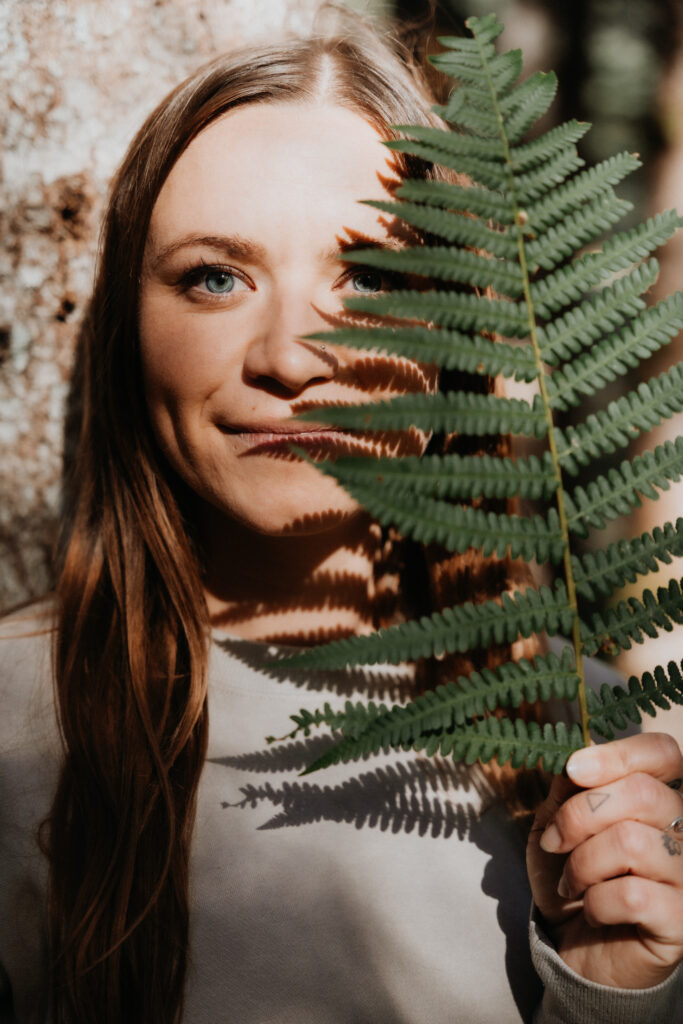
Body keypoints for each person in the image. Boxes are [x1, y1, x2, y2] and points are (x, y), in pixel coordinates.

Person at [1, 11, 682, 1024]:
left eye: (365, 276)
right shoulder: (14, 715)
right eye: (214, 278)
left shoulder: (583, 746)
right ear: (127, 332)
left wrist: (617, 994)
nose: (286, 355)